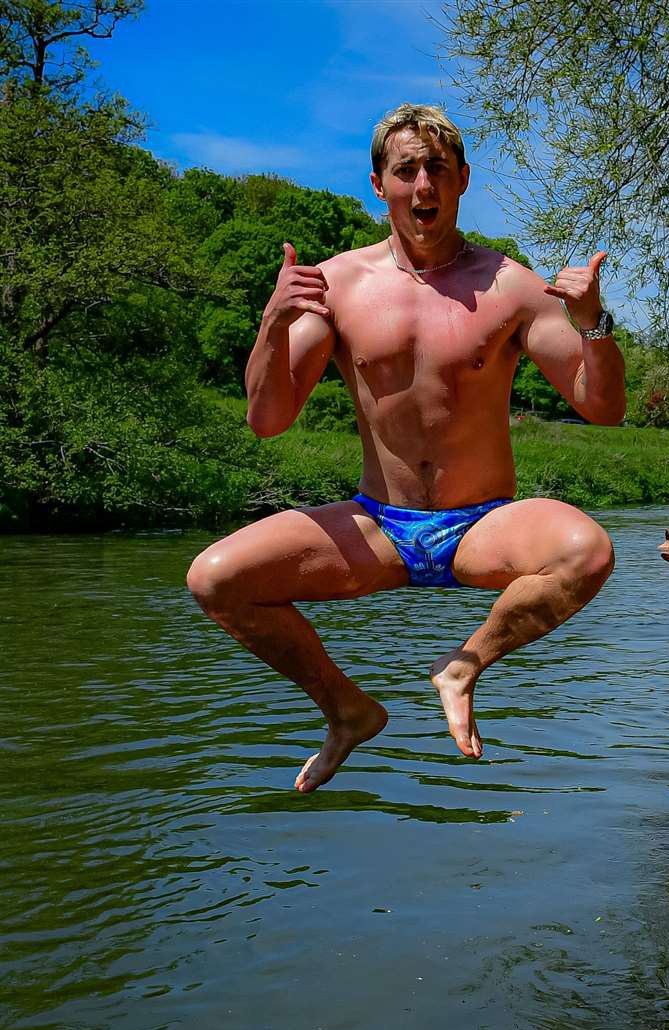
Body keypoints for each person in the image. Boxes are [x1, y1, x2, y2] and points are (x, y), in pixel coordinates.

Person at [186, 103, 621, 792]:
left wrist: (594, 324)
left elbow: (603, 407)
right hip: (378, 525)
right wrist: (272, 325)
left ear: (463, 180)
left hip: (484, 526)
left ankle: (465, 665)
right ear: (379, 182)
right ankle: (347, 711)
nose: (423, 185)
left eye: (438, 169)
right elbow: (268, 420)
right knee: (215, 578)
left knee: (588, 551)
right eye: (406, 169)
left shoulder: (509, 284)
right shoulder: (335, 285)